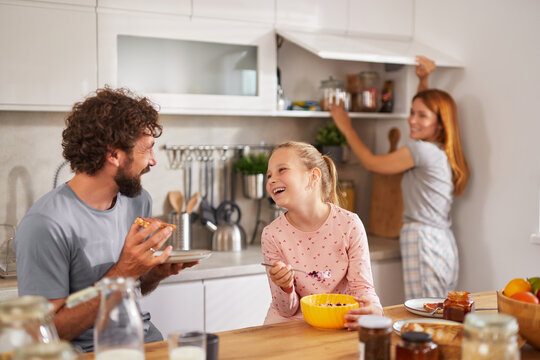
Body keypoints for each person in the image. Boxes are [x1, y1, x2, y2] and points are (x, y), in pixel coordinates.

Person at [14, 87, 197, 352]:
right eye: (147, 150)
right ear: (114, 155)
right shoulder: (45, 224)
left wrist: (152, 274)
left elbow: (131, 288)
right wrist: (124, 271)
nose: (153, 161)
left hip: (145, 343)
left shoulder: (137, 200)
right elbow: (44, 333)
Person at [329, 56, 470, 300]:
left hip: (423, 240)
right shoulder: (439, 149)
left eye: (421, 115)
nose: (412, 120)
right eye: (412, 112)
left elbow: (371, 163)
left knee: (426, 316)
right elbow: (427, 115)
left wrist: (346, 128)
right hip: (442, 242)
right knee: (435, 312)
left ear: (439, 124)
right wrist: (424, 80)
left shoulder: (422, 151)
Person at [262, 141, 383, 330]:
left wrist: (373, 308)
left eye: (282, 170)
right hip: (288, 328)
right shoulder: (272, 234)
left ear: (313, 177)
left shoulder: (349, 224)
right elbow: (286, 310)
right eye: (269, 175)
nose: (271, 180)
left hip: (335, 322)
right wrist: (284, 286)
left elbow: (363, 290)